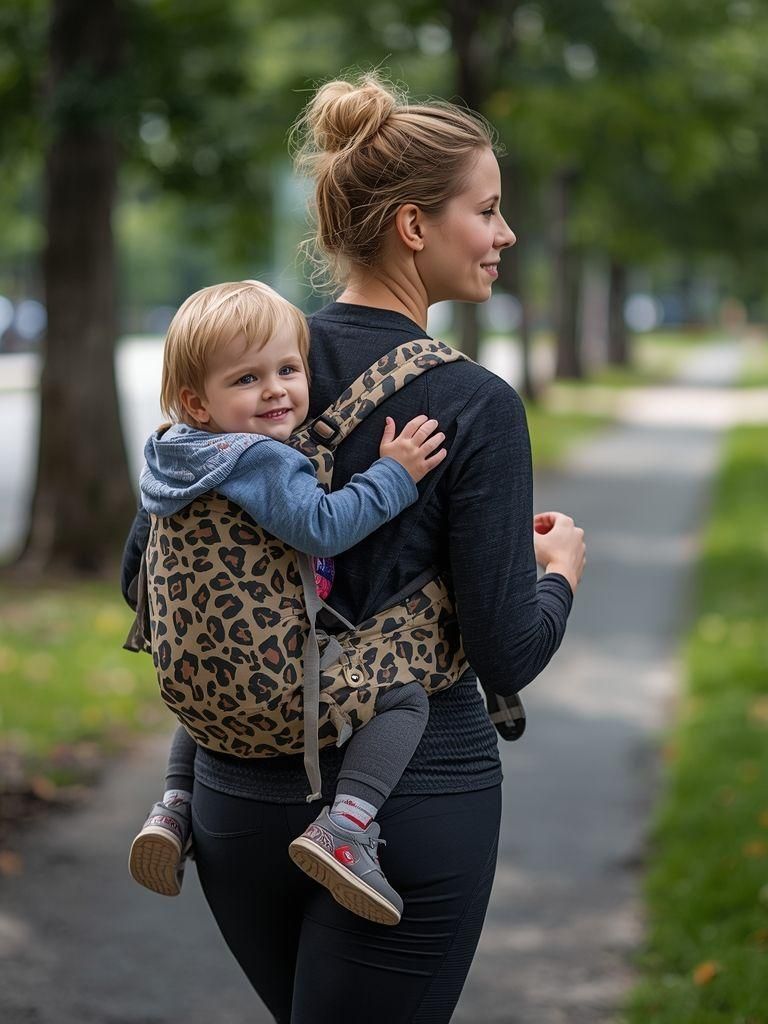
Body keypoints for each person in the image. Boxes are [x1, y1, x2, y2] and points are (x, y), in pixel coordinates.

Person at [121, 72, 586, 1024]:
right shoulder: (473, 404)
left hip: (230, 797)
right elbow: (508, 654)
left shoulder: (250, 364)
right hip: (405, 805)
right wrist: (557, 578)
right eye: (488, 211)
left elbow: (143, 572)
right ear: (414, 226)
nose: (503, 235)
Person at [128, 279, 450, 925]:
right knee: (403, 696)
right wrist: (395, 473)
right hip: (277, 692)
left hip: (190, 685)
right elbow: (324, 526)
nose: (275, 389)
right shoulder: (256, 459)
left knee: (207, 687)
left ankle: (174, 805)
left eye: (288, 369)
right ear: (197, 401)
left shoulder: (171, 455)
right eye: (247, 379)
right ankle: (348, 826)